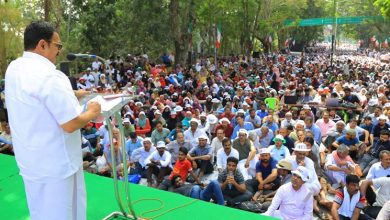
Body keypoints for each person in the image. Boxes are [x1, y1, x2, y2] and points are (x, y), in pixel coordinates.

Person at [5, 21, 101, 220]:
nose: (59, 51)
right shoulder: (51, 76)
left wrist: (73, 93)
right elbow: (71, 123)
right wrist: (93, 111)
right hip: (58, 166)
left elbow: (36, 99)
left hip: (31, 160)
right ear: (42, 45)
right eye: (58, 46)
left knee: (40, 212)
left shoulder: (15, 68)